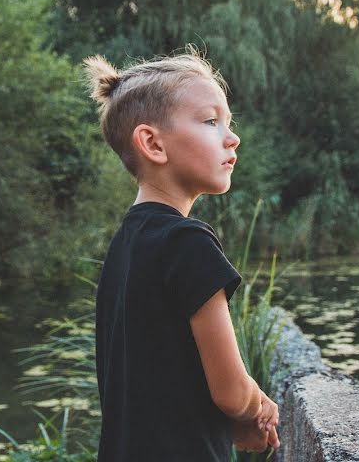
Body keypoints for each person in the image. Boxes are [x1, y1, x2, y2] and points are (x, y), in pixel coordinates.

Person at [83, 46, 281, 461]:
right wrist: (258, 406)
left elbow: (158, 381)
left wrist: (227, 427)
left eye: (229, 122)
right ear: (153, 144)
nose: (233, 136)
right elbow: (231, 392)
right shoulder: (188, 242)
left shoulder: (124, 245)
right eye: (211, 121)